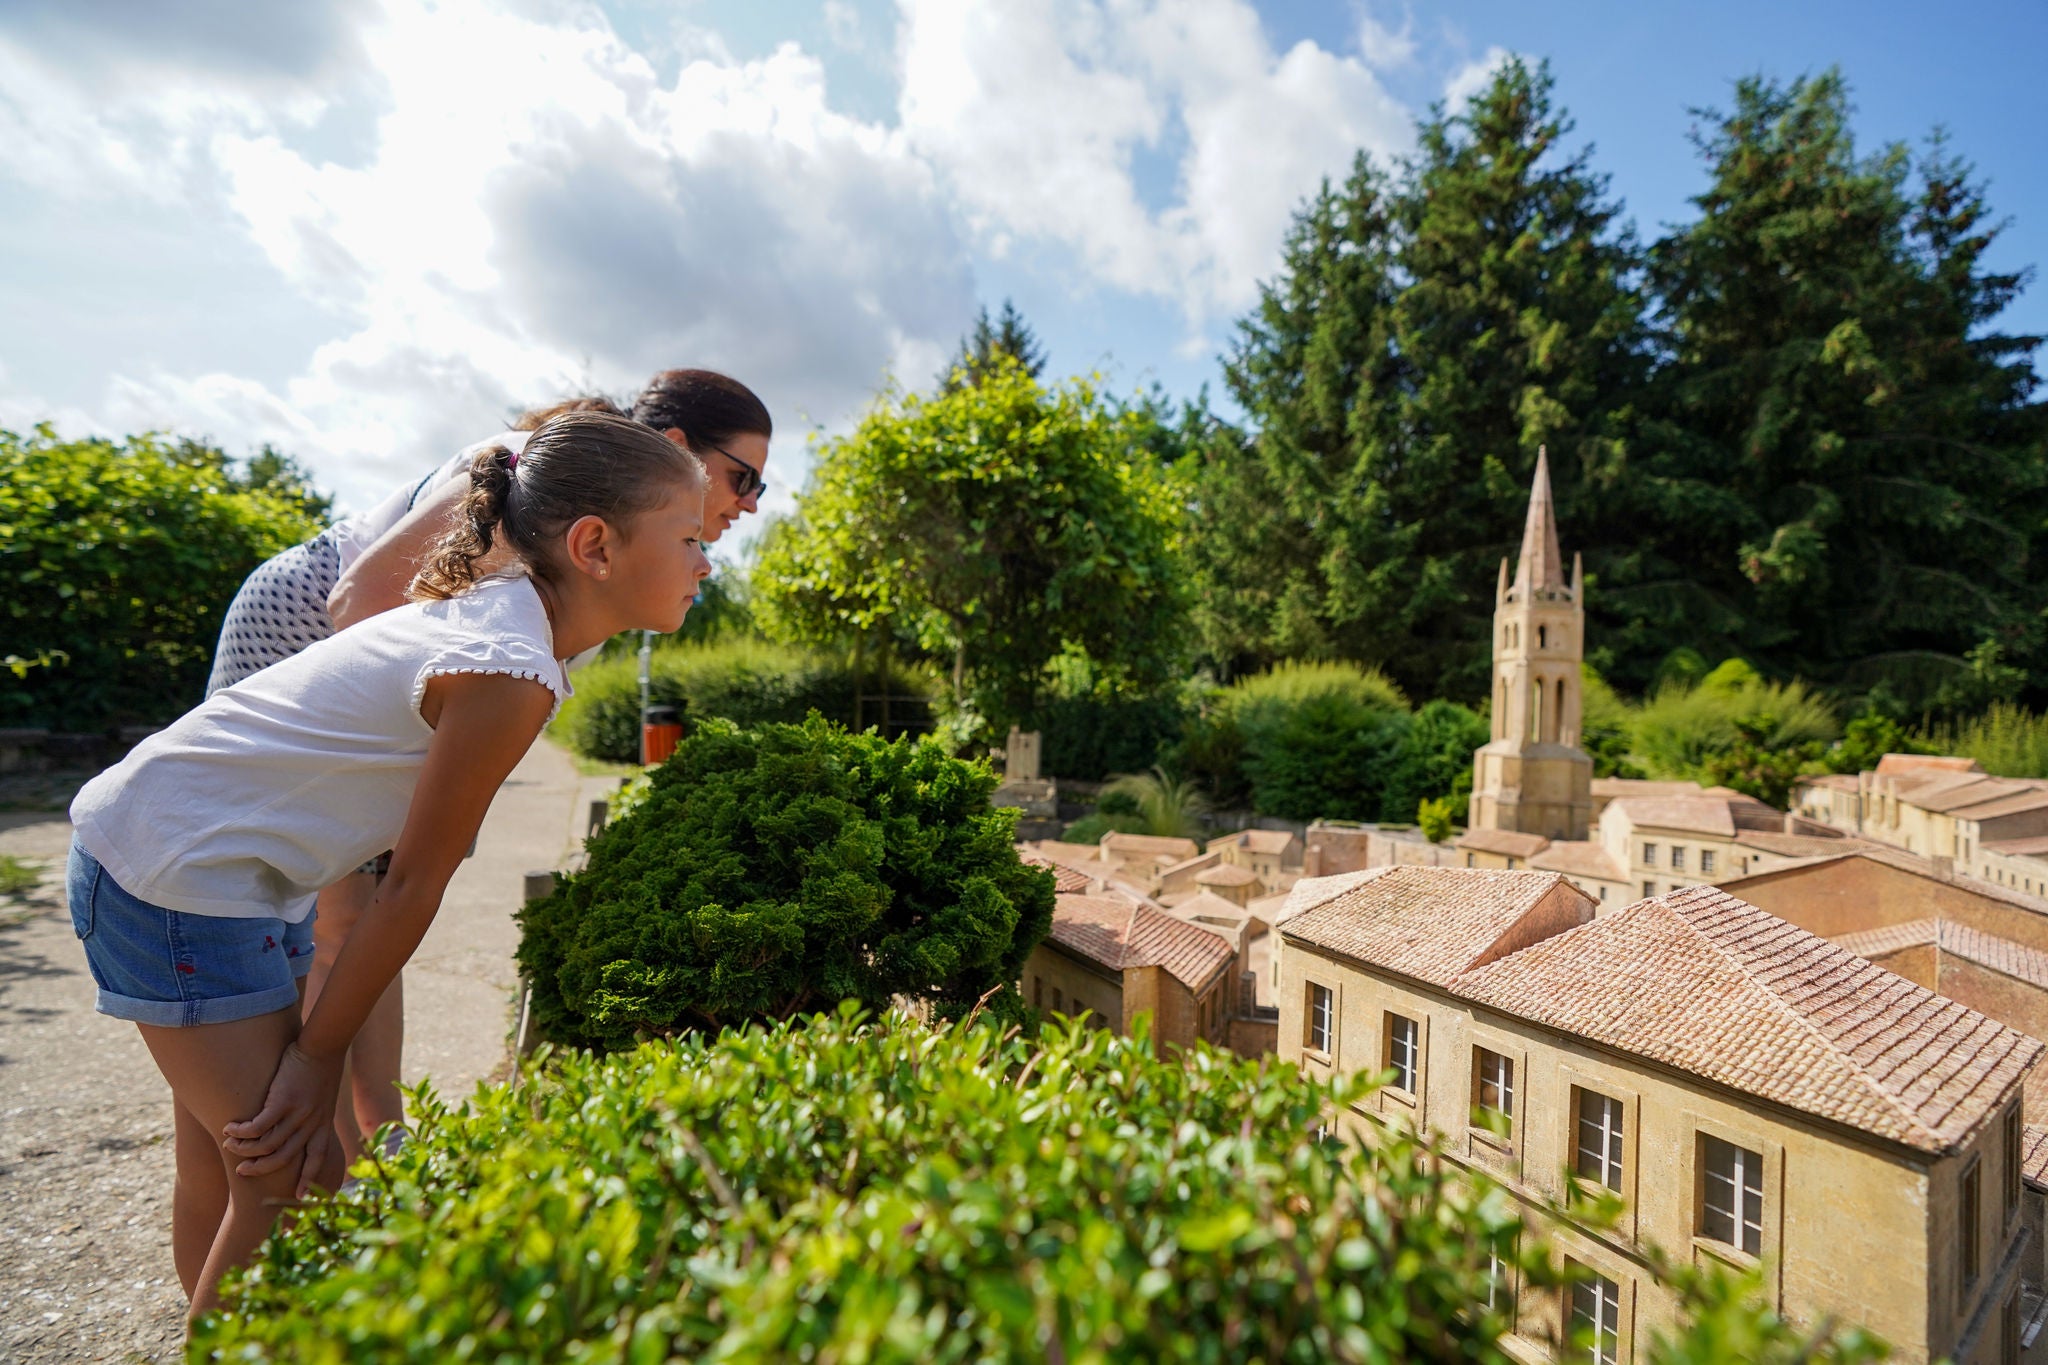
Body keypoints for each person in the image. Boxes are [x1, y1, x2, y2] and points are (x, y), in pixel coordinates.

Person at [66, 411, 712, 1317]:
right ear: (595, 545)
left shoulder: (511, 625)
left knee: (273, 1159)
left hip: (212, 868)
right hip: (171, 876)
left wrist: (320, 1056)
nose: (707, 560)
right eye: (689, 537)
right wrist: (318, 1059)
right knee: (289, 1165)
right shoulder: (507, 663)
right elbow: (410, 884)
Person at [202, 395, 625, 1169]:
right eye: (741, 482)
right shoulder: (521, 481)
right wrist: (394, 772)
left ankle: (367, 1129)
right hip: (297, 637)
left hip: (367, 692)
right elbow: (360, 606)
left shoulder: (543, 597)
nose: (736, 514)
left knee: (359, 919)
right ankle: (319, 1124)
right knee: (329, 922)